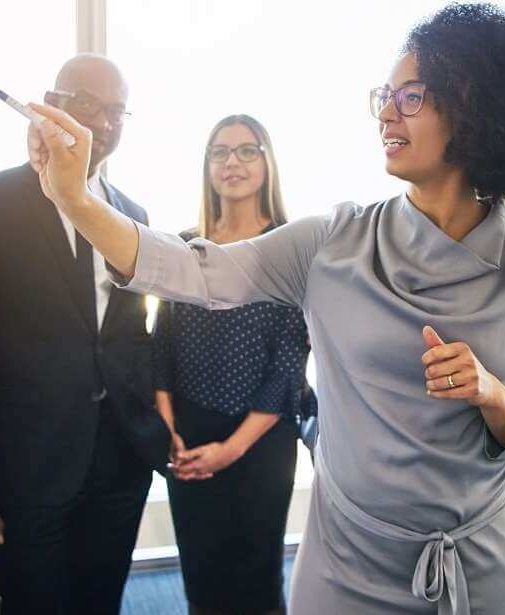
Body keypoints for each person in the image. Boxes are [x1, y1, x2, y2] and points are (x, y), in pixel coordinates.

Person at [27, 4, 505, 613]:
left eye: (411, 97)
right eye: (384, 96)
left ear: (475, 107)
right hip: (346, 565)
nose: (388, 113)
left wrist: (492, 395)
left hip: (482, 567)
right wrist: (75, 201)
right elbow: (189, 269)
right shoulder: (331, 242)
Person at [0, 54, 169, 615]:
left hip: (120, 456)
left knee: (100, 600)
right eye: (88, 104)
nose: (104, 124)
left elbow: (129, 333)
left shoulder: (133, 214)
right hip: (32, 462)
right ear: (52, 102)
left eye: (116, 112)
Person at [152, 114, 311, 615]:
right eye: (220, 152)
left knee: (256, 582)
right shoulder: (184, 245)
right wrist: (168, 431)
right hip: (189, 433)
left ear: (267, 162)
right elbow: (162, 342)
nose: (232, 162)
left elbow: (289, 362)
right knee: (201, 576)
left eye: (247, 150)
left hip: (261, 440)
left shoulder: (291, 247)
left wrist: (231, 449)